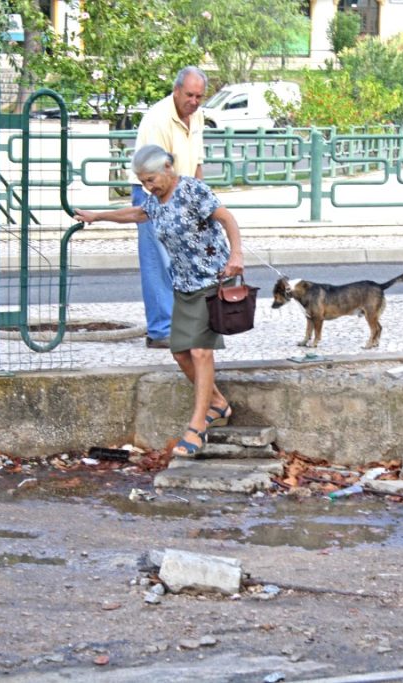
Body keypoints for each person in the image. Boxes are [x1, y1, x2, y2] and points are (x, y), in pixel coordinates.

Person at [76, 145, 244, 457]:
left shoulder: (193, 190)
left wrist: (236, 254)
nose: (147, 187)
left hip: (213, 279)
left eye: (151, 179)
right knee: (180, 353)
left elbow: (226, 219)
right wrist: (98, 216)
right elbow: (137, 213)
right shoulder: (155, 201)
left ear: (168, 167)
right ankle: (218, 403)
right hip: (184, 284)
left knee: (200, 351)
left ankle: (196, 429)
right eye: (142, 182)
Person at [129, 66, 209, 350]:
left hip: (183, 193)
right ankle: (161, 329)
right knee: (158, 262)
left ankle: (181, 324)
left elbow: (196, 160)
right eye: (189, 95)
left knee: (181, 261)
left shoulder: (196, 115)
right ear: (176, 91)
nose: (194, 101)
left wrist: (199, 198)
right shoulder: (157, 120)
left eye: (199, 96)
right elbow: (156, 174)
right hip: (154, 192)